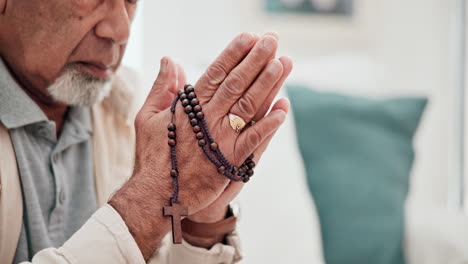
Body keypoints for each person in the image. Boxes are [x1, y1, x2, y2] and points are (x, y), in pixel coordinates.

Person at [0, 0, 293, 263]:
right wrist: (150, 200)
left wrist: (201, 226)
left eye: (130, 0)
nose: (121, 30)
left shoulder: (136, 107)